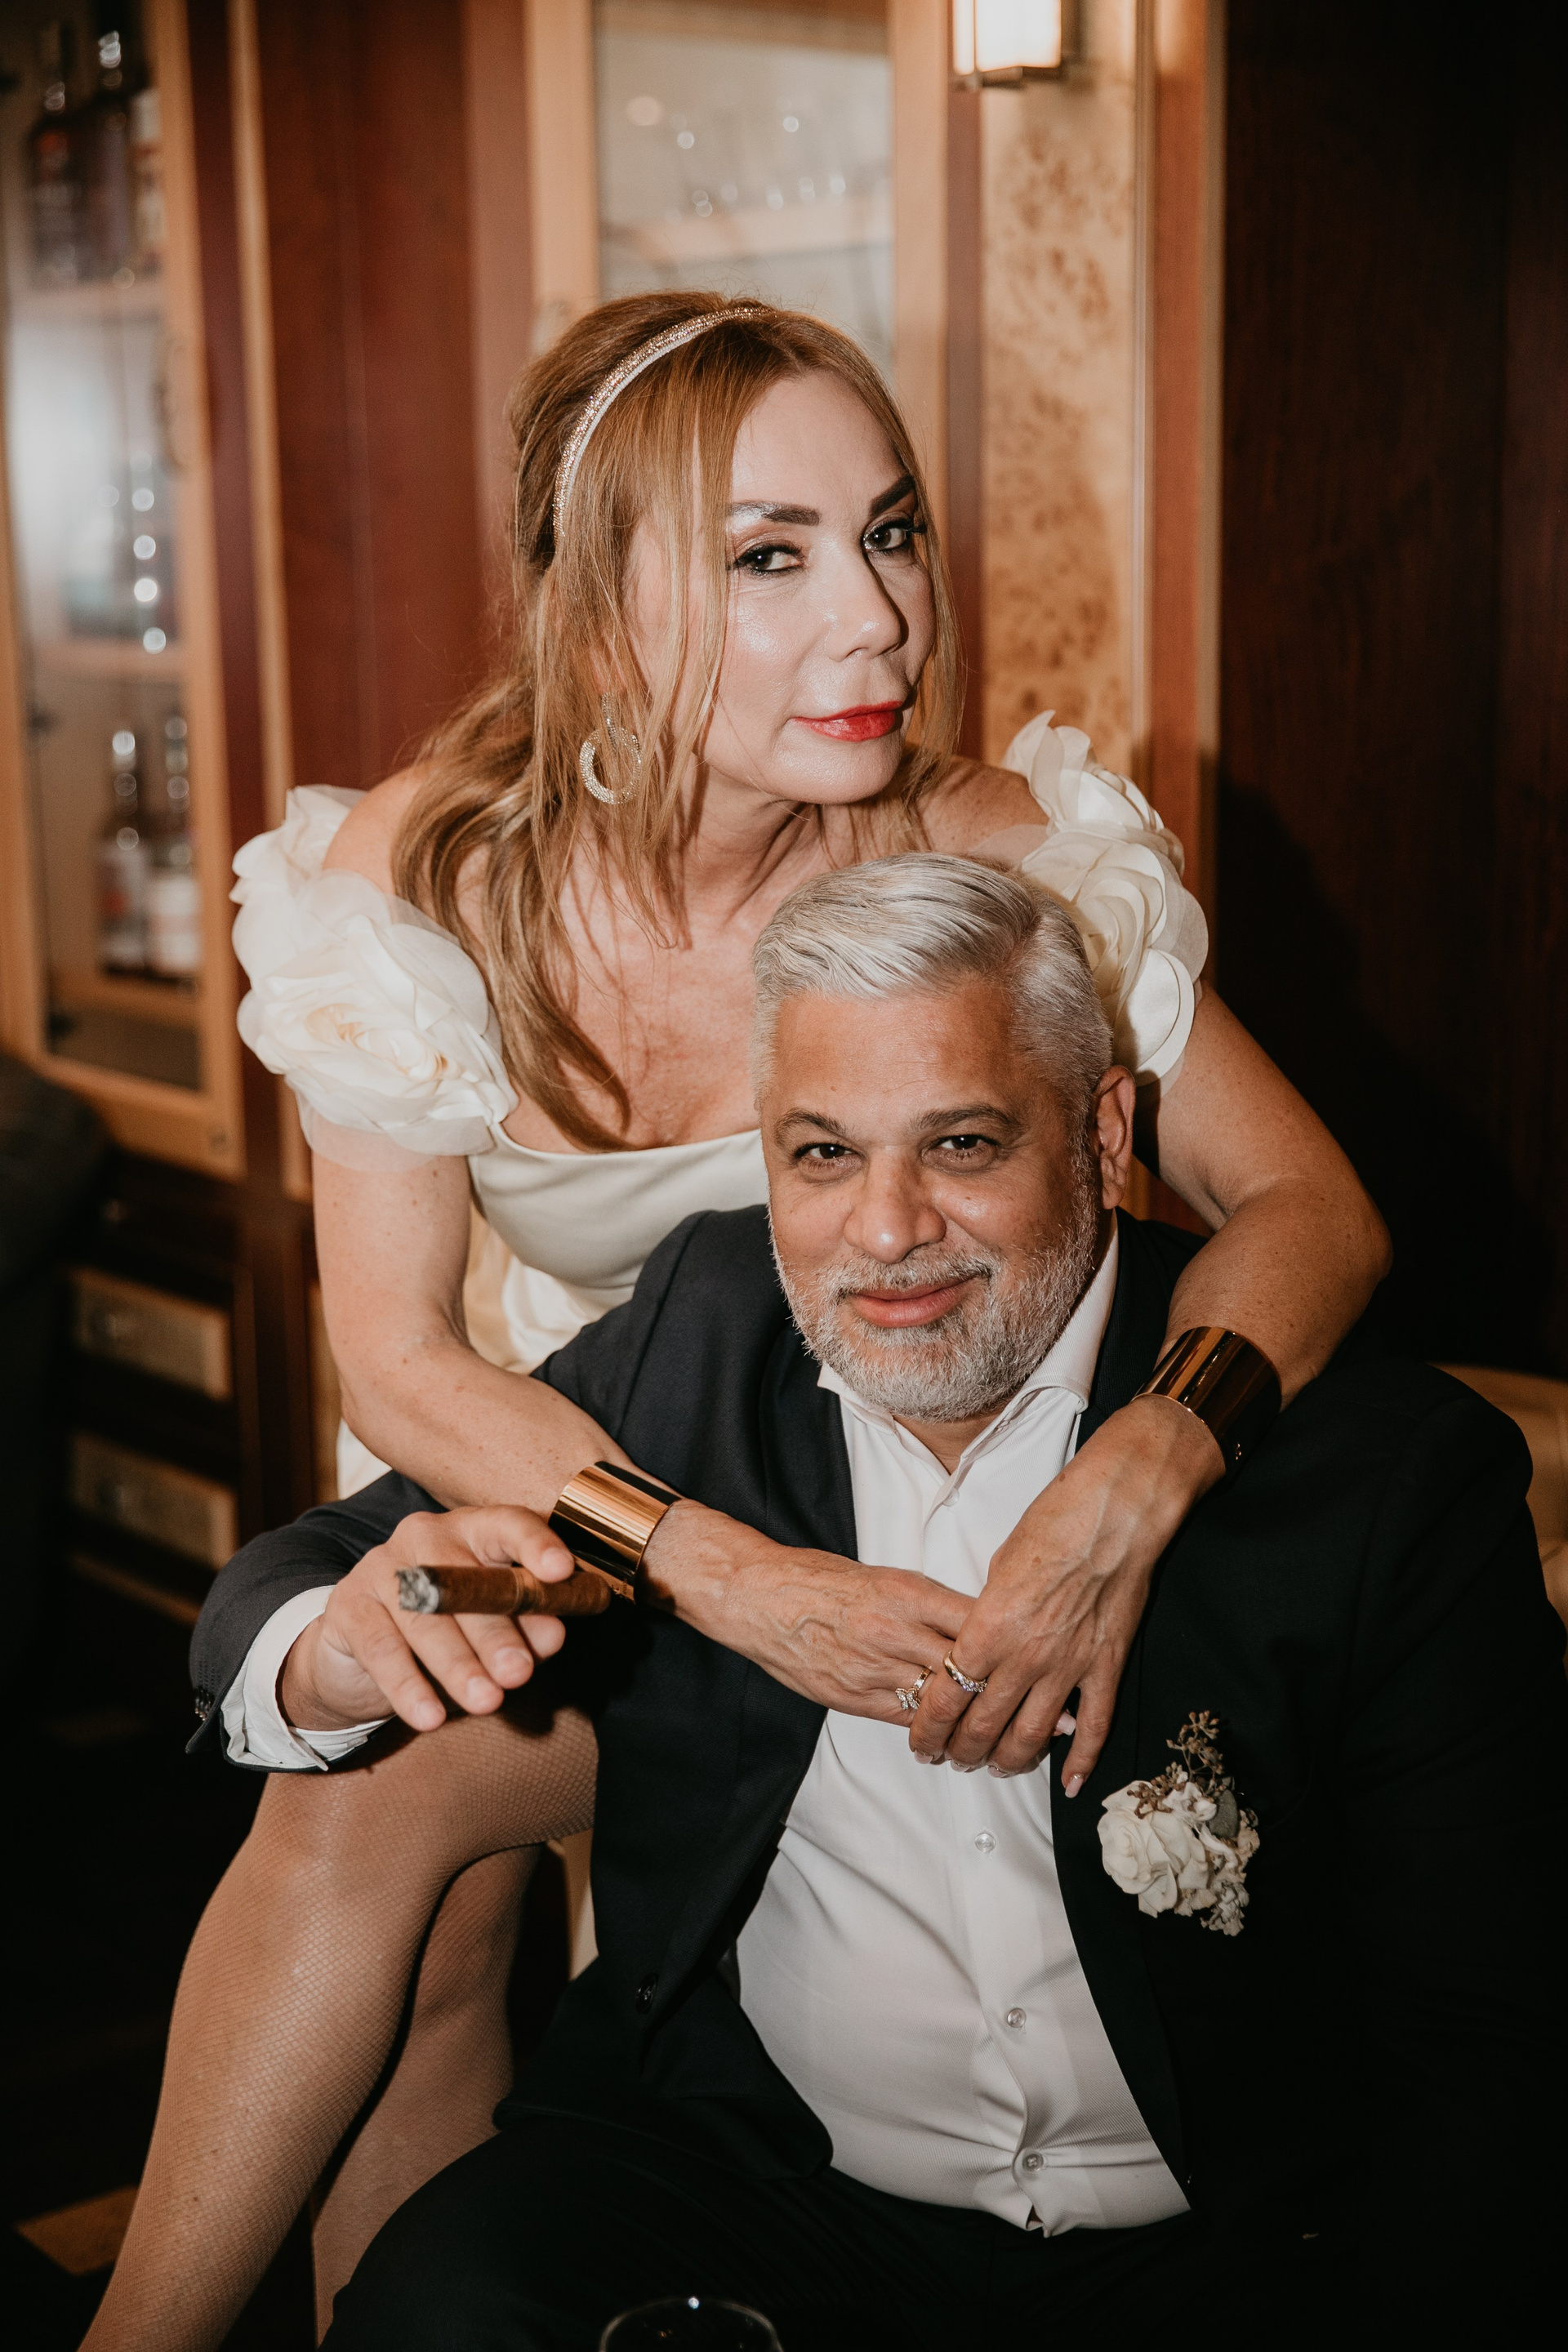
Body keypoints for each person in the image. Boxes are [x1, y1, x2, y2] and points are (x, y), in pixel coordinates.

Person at [84, 294, 1390, 2350]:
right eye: (769, 557)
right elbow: (402, 1354)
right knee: (397, 1861)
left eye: (890, 532)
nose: (877, 619)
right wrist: (718, 1574)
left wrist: (1148, 1464)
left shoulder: (994, 856)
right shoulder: (425, 878)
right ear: (597, 612)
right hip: (536, 1466)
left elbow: (1311, 1206)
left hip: (889, 1473)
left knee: (426, 1839)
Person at [190, 858, 1566, 2349]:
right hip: (768, 2183)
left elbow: (1487, 2037)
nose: (889, 1229)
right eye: (823, 1155)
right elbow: (309, 1569)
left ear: (1104, 1135)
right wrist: (336, 1652)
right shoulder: (703, 1340)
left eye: (962, 1144)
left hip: (1225, 2240)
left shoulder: (1380, 1475)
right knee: (438, 2312)